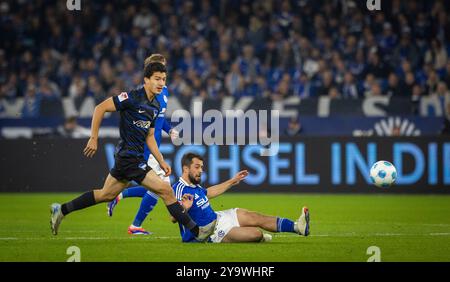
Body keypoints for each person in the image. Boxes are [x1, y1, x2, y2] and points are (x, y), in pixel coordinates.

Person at [49, 62, 215, 241]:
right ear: (146, 80)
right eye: (157, 79)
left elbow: (150, 137)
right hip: (130, 158)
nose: (161, 83)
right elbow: (100, 108)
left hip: (128, 159)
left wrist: (161, 161)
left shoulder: (155, 107)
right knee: (166, 190)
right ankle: (197, 231)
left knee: (106, 194)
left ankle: (62, 210)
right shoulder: (131, 97)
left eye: (164, 79)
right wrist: (94, 138)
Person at [106, 54, 179, 235]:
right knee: (162, 188)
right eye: (158, 72)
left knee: (157, 188)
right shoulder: (142, 94)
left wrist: (169, 130)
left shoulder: (164, 92)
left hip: (155, 144)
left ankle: (120, 199)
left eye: (163, 72)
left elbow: (159, 118)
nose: (162, 76)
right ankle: (135, 225)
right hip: (145, 147)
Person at [172, 153, 310, 243]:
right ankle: (258, 239)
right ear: (185, 169)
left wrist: (232, 181)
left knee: (255, 216)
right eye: (197, 167)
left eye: (202, 167)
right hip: (210, 233)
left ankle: (297, 227)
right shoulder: (178, 188)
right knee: (256, 234)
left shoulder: (195, 186)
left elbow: (208, 192)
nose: (201, 170)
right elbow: (173, 217)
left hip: (219, 217)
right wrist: (184, 208)